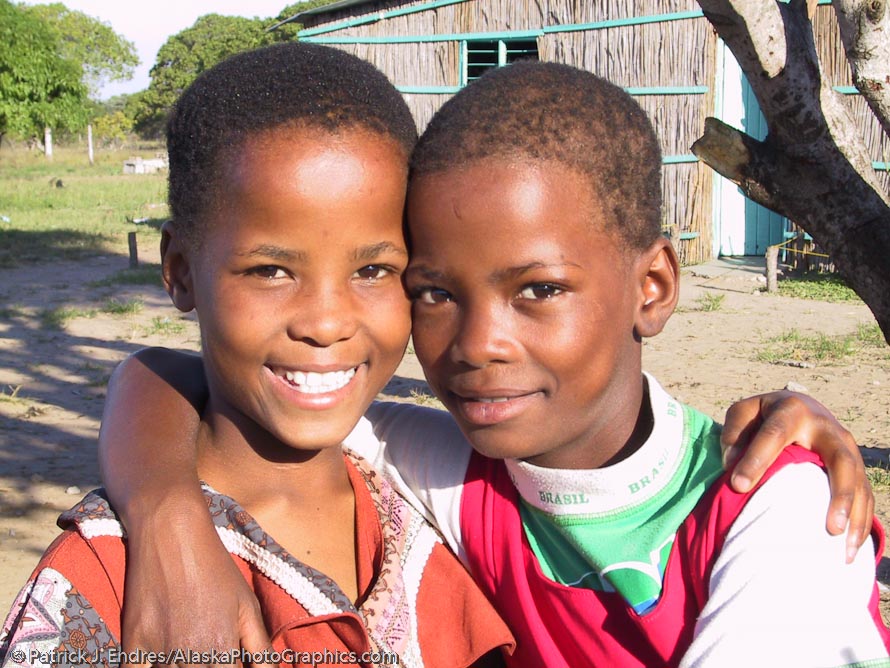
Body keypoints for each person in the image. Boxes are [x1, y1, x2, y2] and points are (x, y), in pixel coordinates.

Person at [58, 63, 878, 666]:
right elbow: (190, 379)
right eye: (434, 291)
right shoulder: (451, 467)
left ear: (653, 286)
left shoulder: (777, 504)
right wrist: (165, 510)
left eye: (539, 289)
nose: (479, 343)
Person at [0, 43, 513, 668]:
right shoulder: (109, 581)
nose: (326, 324)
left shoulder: (428, 502)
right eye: (270, 270)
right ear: (181, 271)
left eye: (373, 269)